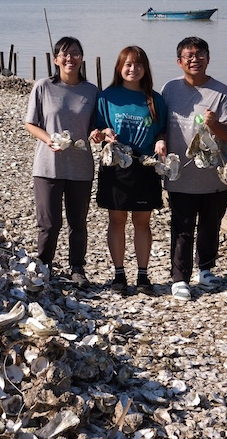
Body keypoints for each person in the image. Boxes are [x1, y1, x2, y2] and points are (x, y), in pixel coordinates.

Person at [159, 37, 227, 301]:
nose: (195, 59)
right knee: (181, 226)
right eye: (189, 55)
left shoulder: (223, 93)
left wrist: (214, 124)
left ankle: (205, 269)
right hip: (179, 174)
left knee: (210, 225)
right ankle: (179, 277)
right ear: (179, 61)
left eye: (200, 54)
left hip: (214, 175)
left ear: (208, 58)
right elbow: (159, 124)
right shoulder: (169, 89)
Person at [24, 36, 100, 288]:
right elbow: (30, 123)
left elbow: (94, 127)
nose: (70, 58)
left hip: (81, 166)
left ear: (82, 58)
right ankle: (44, 266)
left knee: (78, 223)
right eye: (64, 54)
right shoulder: (43, 87)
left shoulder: (91, 91)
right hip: (47, 166)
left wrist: (97, 134)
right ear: (56, 59)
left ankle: (77, 268)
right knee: (49, 223)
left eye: (75, 53)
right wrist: (48, 140)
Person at [95, 46, 167, 295]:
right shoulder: (107, 97)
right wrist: (103, 132)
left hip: (146, 165)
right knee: (116, 220)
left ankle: (143, 275)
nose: (132, 69)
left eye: (138, 65)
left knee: (142, 221)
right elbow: (97, 128)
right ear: (119, 67)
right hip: (116, 163)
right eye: (127, 64)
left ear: (145, 68)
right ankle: (118, 274)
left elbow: (162, 130)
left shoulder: (155, 99)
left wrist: (160, 140)